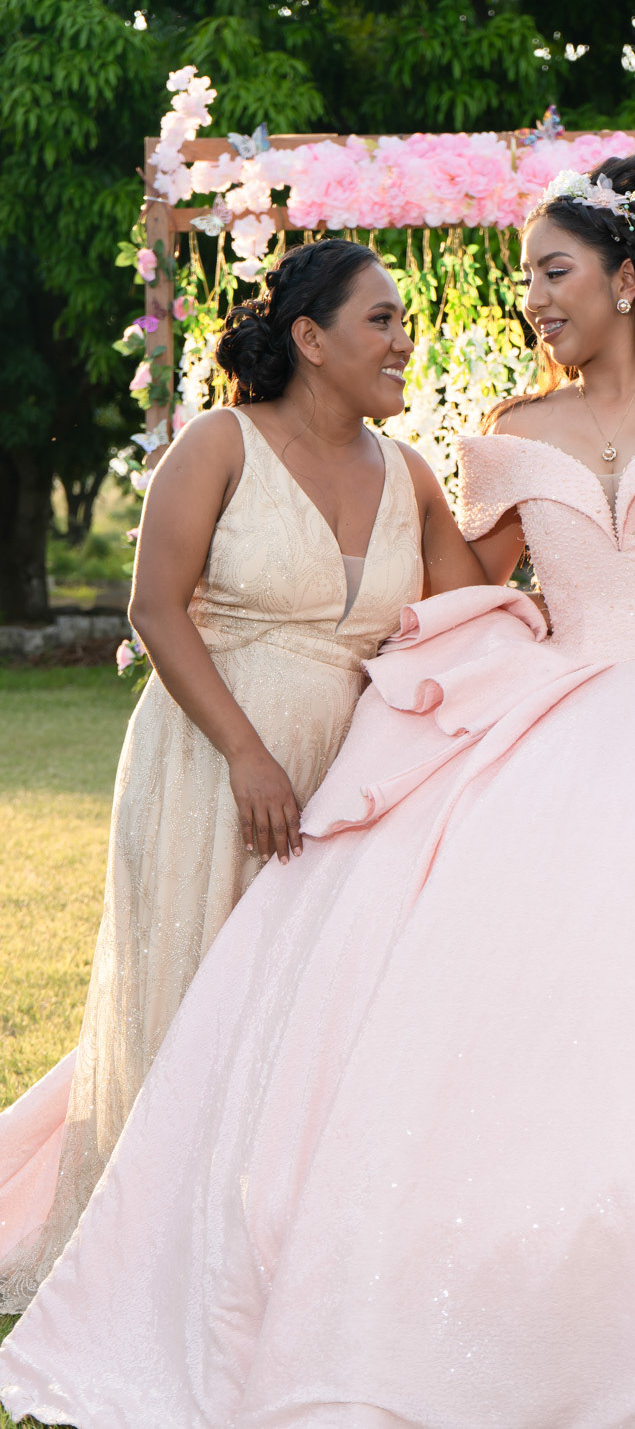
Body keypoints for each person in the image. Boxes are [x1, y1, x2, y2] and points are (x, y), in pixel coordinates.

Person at [3, 158, 635, 1428]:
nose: (532, 297)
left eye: (553, 270)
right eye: (527, 274)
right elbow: (458, 580)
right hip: (554, 721)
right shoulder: (515, 431)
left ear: (625, 279)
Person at [0, 237, 484, 1314]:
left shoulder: (409, 475)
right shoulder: (219, 443)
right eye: (381, 321)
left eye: (403, 323)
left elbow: (475, 611)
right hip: (212, 762)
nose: (404, 342)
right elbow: (156, 608)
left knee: (300, 1010)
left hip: (345, 781)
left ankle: (268, 1257)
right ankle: (151, 1251)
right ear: (310, 338)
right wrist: (247, 755)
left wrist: (554, 486)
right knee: (196, 995)